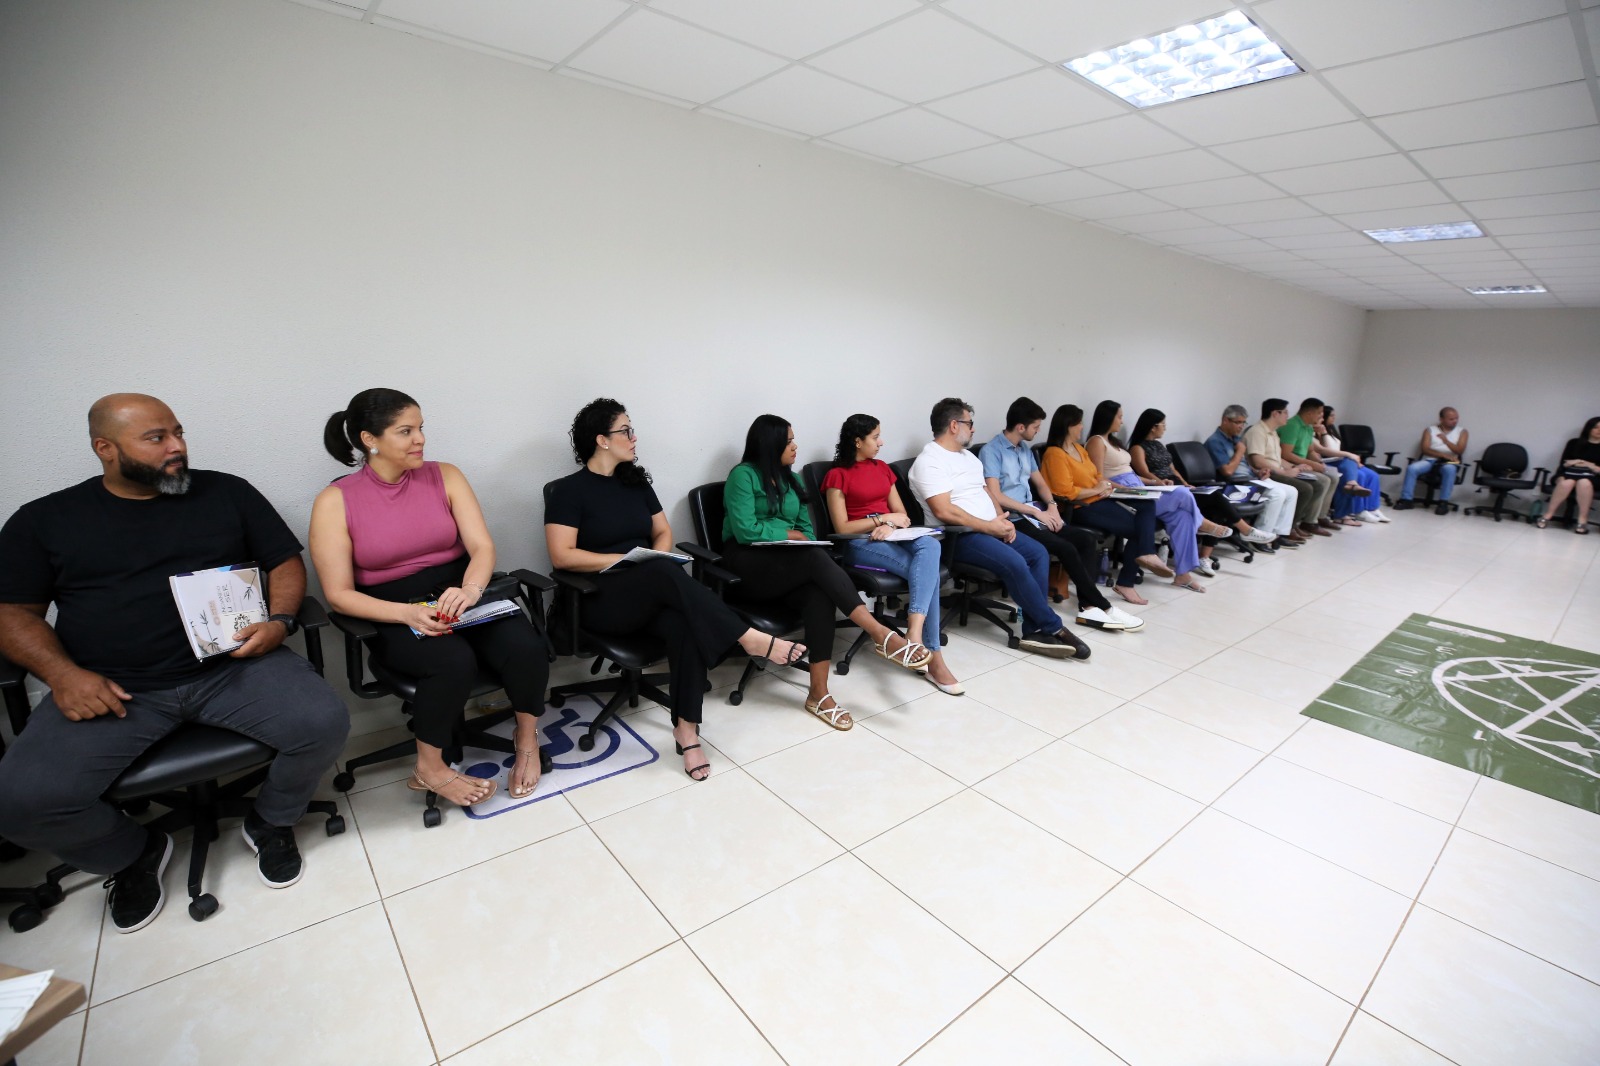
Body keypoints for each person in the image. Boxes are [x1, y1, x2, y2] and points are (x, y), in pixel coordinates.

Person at [0, 394, 349, 934]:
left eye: (178, 432)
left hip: (233, 668)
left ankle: (271, 820)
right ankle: (132, 854)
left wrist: (280, 620)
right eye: (156, 438)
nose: (176, 447)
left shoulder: (227, 492)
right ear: (105, 448)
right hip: (117, 687)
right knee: (19, 802)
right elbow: (12, 613)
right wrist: (63, 676)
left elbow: (284, 561)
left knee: (323, 721)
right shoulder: (45, 520)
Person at [310, 388, 546, 809]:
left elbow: (482, 548)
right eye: (406, 431)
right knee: (451, 660)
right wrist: (406, 614)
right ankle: (430, 769)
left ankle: (526, 740)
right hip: (392, 608)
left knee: (524, 645)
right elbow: (339, 595)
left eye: (420, 428)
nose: (420, 439)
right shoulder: (335, 501)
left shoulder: (446, 475)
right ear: (369, 439)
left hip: (459, 592)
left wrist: (470, 589)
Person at [546, 400, 805, 779]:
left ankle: (687, 731)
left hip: (648, 588)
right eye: (625, 431)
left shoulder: (636, 483)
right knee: (660, 572)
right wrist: (625, 560)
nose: (634, 438)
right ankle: (747, 636)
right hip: (598, 598)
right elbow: (562, 556)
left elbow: (663, 531)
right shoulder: (569, 492)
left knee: (683, 623)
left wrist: (654, 555)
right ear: (601, 440)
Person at [721, 415, 927, 731]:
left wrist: (794, 537)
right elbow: (746, 530)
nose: (795, 446)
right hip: (747, 566)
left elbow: (806, 529)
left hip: (786, 564)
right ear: (770, 444)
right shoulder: (743, 476)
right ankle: (880, 634)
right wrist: (789, 535)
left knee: (818, 593)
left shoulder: (792, 481)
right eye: (789, 441)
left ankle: (818, 694)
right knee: (814, 558)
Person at [910, 399, 1089, 658]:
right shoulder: (930, 462)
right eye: (969, 423)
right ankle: (1053, 627)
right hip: (958, 536)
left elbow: (985, 491)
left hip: (989, 527)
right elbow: (944, 511)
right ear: (953, 425)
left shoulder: (967, 458)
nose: (973, 429)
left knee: (1038, 553)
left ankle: (1033, 631)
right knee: (1015, 562)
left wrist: (1001, 519)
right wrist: (989, 527)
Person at [823, 414, 965, 694]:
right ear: (858, 441)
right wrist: (881, 520)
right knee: (928, 575)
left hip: (891, 535)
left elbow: (901, 514)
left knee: (931, 545)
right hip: (859, 543)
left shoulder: (883, 469)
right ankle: (935, 659)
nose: (881, 442)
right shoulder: (837, 475)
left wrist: (890, 524)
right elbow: (842, 527)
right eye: (875, 437)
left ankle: (914, 633)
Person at [981, 398, 1144, 631]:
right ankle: (1103, 606)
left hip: (1035, 514)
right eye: (1035, 427)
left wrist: (1051, 507)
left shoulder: (1024, 449)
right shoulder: (991, 451)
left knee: (1085, 539)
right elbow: (995, 495)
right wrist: (1034, 511)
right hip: (1014, 518)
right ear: (1020, 427)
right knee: (1065, 547)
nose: (1038, 431)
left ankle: (1088, 607)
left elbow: (1041, 483)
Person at [1087, 401, 1231, 593]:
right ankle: (1203, 524)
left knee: (1183, 517)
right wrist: (1124, 488)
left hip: (1136, 487)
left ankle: (1183, 575)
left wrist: (1155, 482)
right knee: (1182, 493)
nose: (1122, 421)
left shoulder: (1115, 442)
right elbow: (1098, 477)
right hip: (1121, 493)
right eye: (1119, 417)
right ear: (1108, 417)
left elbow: (1131, 474)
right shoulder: (1096, 441)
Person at [1039, 404, 1169, 605]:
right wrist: (1097, 490)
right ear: (1068, 425)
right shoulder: (1054, 454)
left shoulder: (1078, 449)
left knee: (1146, 505)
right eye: (1079, 423)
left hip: (1099, 499)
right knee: (1140, 530)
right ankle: (1130, 578)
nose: (1082, 427)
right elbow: (1065, 493)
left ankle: (1146, 554)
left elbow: (1096, 475)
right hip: (1080, 507)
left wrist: (1105, 486)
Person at [1128, 408, 1277, 572]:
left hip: (1178, 486)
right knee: (1216, 498)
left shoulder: (1159, 445)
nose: (1165, 427)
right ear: (1153, 427)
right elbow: (1144, 473)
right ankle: (1245, 530)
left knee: (1214, 503)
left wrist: (1186, 484)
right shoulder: (1137, 448)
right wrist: (1161, 484)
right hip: (1163, 490)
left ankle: (1204, 557)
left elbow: (1173, 470)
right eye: (1163, 424)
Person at [1204, 405, 1302, 548]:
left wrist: (1257, 471)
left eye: (1243, 423)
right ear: (1225, 420)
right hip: (1233, 486)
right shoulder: (1215, 442)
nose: (1241, 426)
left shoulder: (1235, 438)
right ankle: (1259, 537)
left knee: (1292, 491)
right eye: (1238, 422)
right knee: (1277, 494)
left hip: (1250, 479)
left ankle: (1277, 534)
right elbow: (1228, 472)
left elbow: (1243, 465)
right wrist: (1240, 451)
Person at [1244, 399, 1331, 538]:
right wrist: (1285, 472)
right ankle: (1284, 530)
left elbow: (1278, 458)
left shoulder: (1273, 433)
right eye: (1285, 412)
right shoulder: (1257, 431)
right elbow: (1258, 461)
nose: (1287, 416)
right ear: (1275, 413)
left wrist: (1295, 467)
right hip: (1265, 473)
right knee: (1305, 488)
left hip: (1276, 469)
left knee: (1316, 485)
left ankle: (1287, 529)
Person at [1279, 398, 1356, 528]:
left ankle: (1321, 516)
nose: (1322, 416)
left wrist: (1319, 462)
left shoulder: (1309, 427)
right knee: (1323, 480)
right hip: (1290, 464)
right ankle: (1309, 521)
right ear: (1309, 413)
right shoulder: (1292, 425)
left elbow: (1310, 451)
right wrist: (1312, 464)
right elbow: (1286, 454)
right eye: (1319, 412)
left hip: (1304, 464)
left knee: (1333, 476)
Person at [1316, 406, 1388, 523]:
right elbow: (1326, 451)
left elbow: (1339, 449)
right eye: (1332, 415)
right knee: (1360, 476)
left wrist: (1353, 459)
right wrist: (1323, 433)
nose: (1334, 417)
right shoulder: (1317, 430)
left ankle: (1372, 509)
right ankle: (1358, 511)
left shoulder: (1332, 430)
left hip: (1340, 459)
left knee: (1372, 475)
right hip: (1330, 461)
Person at [1398, 407, 1468, 514]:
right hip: (1430, 459)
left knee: (1449, 470)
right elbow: (1425, 449)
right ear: (1441, 419)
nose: (1455, 421)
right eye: (1451, 419)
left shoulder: (1462, 432)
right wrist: (1443, 455)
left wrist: (1446, 441)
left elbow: (1460, 450)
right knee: (1412, 468)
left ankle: (1443, 503)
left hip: (1450, 461)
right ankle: (1406, 500)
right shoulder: (1429, 430)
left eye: (1456, 418)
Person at [1538, 416, 1600, 533]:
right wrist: (1571, 465)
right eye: (1595, 427)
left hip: (1593, 478)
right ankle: (1548, 515)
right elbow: (1563, 463)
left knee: (1584, 482)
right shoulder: (1574, 443)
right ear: (1589, 428)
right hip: (1568, 473)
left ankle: (1582, 519)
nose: (1599, 430)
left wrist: (1590, 465)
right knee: (1567, 483)